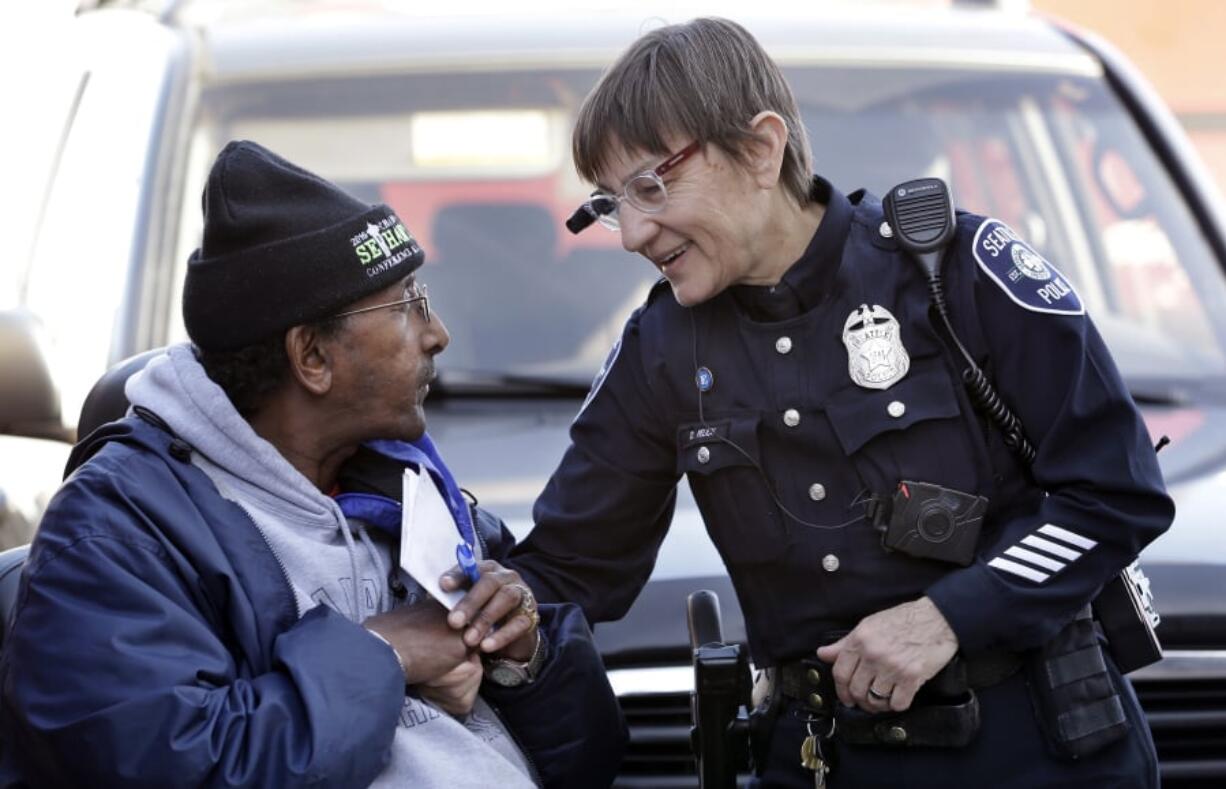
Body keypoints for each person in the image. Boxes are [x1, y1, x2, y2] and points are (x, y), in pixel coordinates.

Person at [507, 17, 1173, 788]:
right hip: (822, 762)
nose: (631, 232)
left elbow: (1115, 494)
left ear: (761, 149)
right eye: (610, 202)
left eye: (652, 186)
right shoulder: (661, 348)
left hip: (1039, 755)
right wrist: (487, 603)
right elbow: (569, 564)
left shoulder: (954, 273)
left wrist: (951, 615)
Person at [0, 141, 625, 788]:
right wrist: (384, 653)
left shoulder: (411, 489)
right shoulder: (117, 536)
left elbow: (591, 759)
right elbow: (170, 766)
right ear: (313, 358)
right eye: (407, 303)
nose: (437, 333)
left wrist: (527, 654)